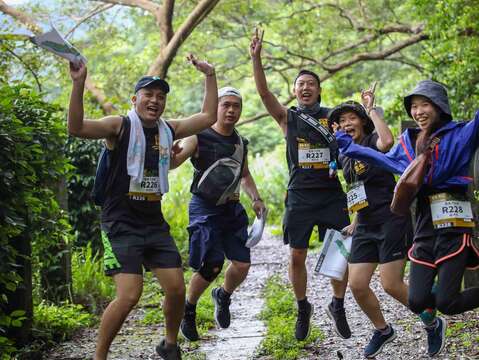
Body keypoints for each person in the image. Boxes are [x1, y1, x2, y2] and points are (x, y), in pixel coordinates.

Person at [67, 54, 218, 360]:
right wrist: (79, 83)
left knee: (176, 289)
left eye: (161, 97)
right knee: (129, 295)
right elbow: (76, 127)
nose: (155, 101)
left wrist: (210, 75)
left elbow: (207, 117)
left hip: (153, 222)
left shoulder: (167, 130)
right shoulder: (119, 126)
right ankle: (99, 356)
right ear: (135, 99)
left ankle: (169, 344)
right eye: (148, 95)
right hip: (120, 223)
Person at [335, 80, 479, 357]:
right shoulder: (409, 142)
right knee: (416, 300)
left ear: (439, 107)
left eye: (425, 104)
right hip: (424, 226)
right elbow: (385, 159)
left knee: (448, 303)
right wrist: (349, 147)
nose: (419, 111)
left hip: (454, 227)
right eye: (414, 106)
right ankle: (427, 323)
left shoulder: (461, 134)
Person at [250, 28, 351, 341]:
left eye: (311, 84)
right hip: (300, 195)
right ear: (294, 92)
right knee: (297, 255)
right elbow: (265, 95)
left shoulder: (332, 117)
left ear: (319, 91)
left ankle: (337, 304)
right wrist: (256, 59)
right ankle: (302, 306)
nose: (306, 88)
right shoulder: (287, 118)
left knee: (338, 251)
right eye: (301, 84)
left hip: (332, 193)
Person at [170, 86, 266, 341]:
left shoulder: (240, 142)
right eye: (226, 105)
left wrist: (256, 199)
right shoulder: (198, 136)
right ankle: (188, 309)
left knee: (243, 264)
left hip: (232, 209)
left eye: (236, 106)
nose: (231, 110)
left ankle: (222, 295)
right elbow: (174, 161)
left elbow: (244, 174)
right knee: (211, 264)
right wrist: (165, 153)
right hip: (204, 207)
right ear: (216, 107)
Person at [329, 85, 416, 358]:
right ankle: (382, 330)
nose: (346, 124)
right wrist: (355, 220)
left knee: (391, 284)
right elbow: (357, 188)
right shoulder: (344, 154)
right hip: (365, 223)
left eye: (351, 118)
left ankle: (430, 319)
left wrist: (371, 109)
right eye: (341, 122)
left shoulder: (371, 143)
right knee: (356, 284)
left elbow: (388, 142)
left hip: (390, 217)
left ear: (362, 122)